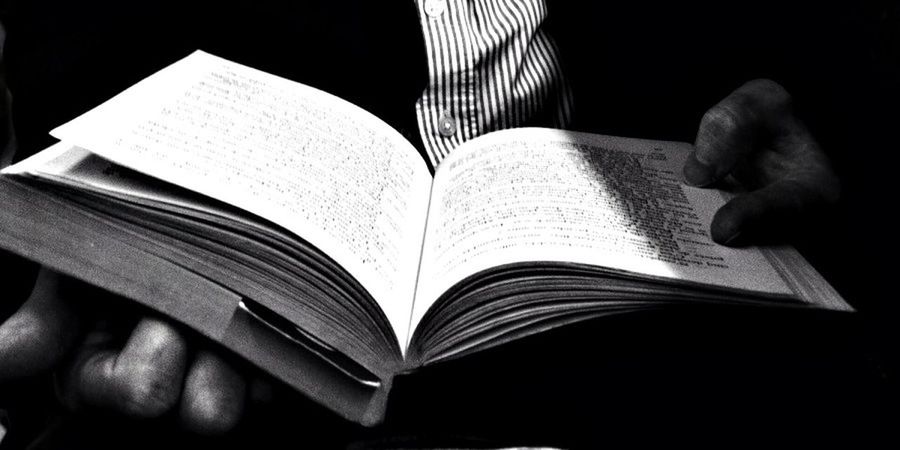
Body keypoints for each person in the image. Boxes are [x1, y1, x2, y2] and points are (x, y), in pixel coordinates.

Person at [0, 0, 853, 442]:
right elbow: (86, 55)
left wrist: (839, 126)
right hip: (296, 374)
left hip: (656, 342)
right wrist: (137, 232)